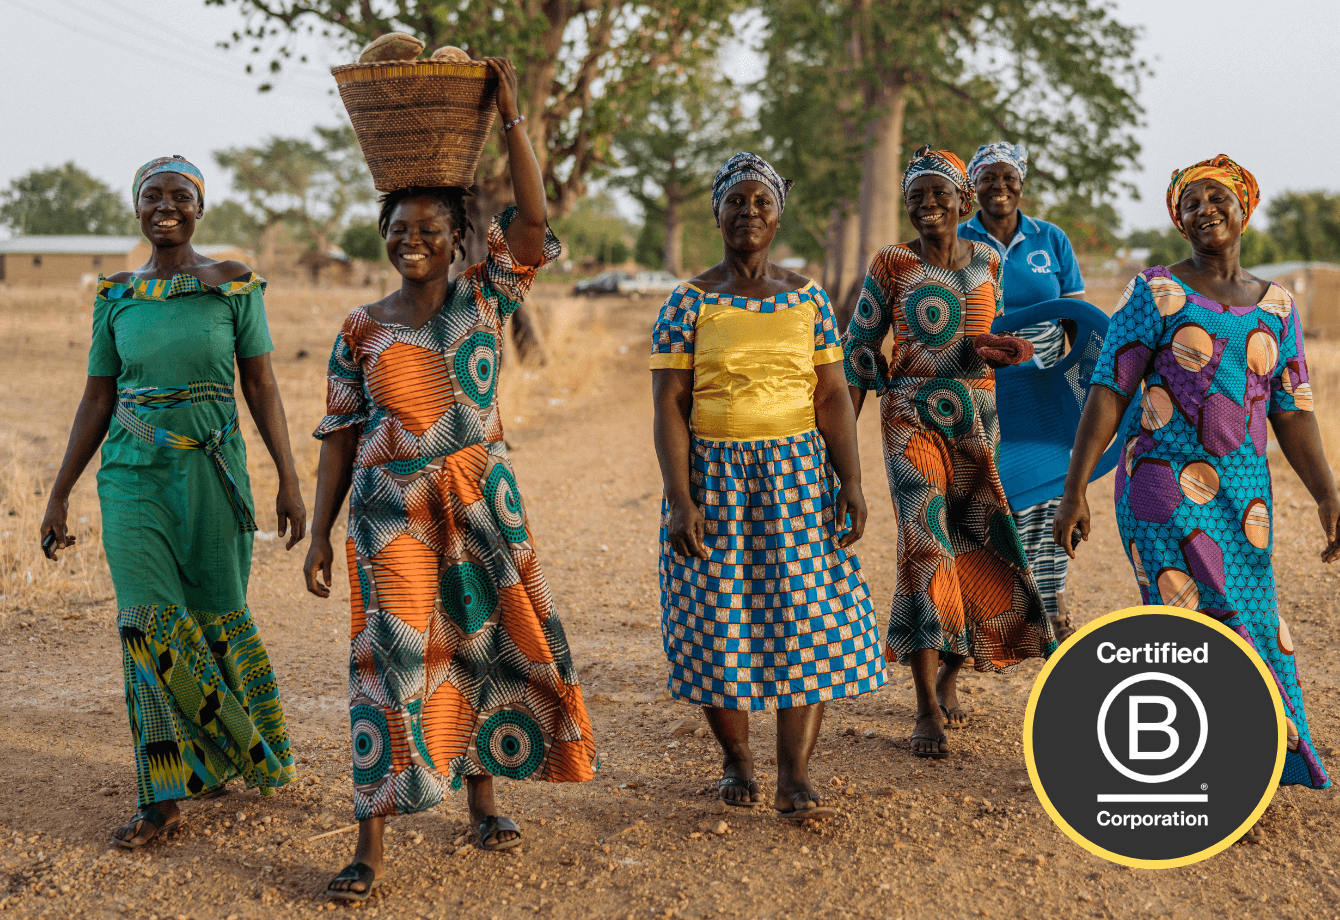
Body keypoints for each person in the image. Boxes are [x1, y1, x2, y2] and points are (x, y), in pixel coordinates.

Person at [305, 59, 597, 901]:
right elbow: (339, 435)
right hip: (389, 508)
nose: (414, 240)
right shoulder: (359, 328)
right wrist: (321, 534)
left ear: (458, 239)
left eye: (432, 228)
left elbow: (536, 227)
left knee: (484, 640)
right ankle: (370, 842)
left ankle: (483, 798)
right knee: (388, 658)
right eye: (400, 228)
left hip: (477, 495)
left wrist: (511, 116)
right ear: (383, 234)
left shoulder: (483, 298)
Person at [39, 155, 304, 848]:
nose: (166, 206)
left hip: (215, 476)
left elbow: (264, 387)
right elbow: (98, 397)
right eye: (152, 195)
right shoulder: (116, 295)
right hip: (132, 477)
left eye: (180, 195)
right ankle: (161, 796)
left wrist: (289, 477)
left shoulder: (234, 288)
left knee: (215, 617)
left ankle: (213, 758)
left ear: (199, 207)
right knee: (148, 627)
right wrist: (59, 492)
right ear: (136, 209)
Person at [1055, 154, 1336, 797]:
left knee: (1257, 624)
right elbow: (1109, 391)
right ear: (1179, 221)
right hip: (1160, 485)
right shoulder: (1157, 292)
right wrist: (1076, 491)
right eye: (1191, 203)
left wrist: (1328, 494)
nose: (1205, 209)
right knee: (1194, 621)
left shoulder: (1279, 307)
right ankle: (1219, 770)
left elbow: (1294, 411)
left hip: (1245, 502)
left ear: (1245, 210)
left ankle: (1257, 756)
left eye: (1218, 199)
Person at [651, 152, 886, 821]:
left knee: (805, 617)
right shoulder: (688, 302)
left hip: (797, 480)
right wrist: (679, 499)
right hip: (715, 479)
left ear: (779, 215)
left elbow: (834, 396)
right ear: (716, 212)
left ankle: (794, 776)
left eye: (762, 202)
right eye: (736, 201)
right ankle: (737, 760)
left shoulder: (808, 297)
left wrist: (852, 482)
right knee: (717, 618)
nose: (749, 213)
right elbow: (670, 402)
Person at [842, 146, 1056, 759]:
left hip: (977, 415)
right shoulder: (891, 263)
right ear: (906, 204)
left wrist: (1001, 349)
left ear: (964, 201)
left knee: (976, 536)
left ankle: (951, 674)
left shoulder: (988, 257)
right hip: (911, 416)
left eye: (940, 193)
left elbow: (988, 335)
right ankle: (924, 706)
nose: (928, 202)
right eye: (916, 194)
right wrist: (841, 455)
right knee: (925, 543)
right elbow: (861, 351)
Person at [958, 141, 1086, 644]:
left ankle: (1048, 607)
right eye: (988, 177)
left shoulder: (1050, 239)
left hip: (1043, 392)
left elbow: (1076, 322)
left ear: (1023, 182)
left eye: (1009, 177)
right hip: (979, 388)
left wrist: (1079, 396)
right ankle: (986, 617)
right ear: (973, 186)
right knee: (987, 491)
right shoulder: (958, 239)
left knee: (1049, 488)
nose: (1000, 187)